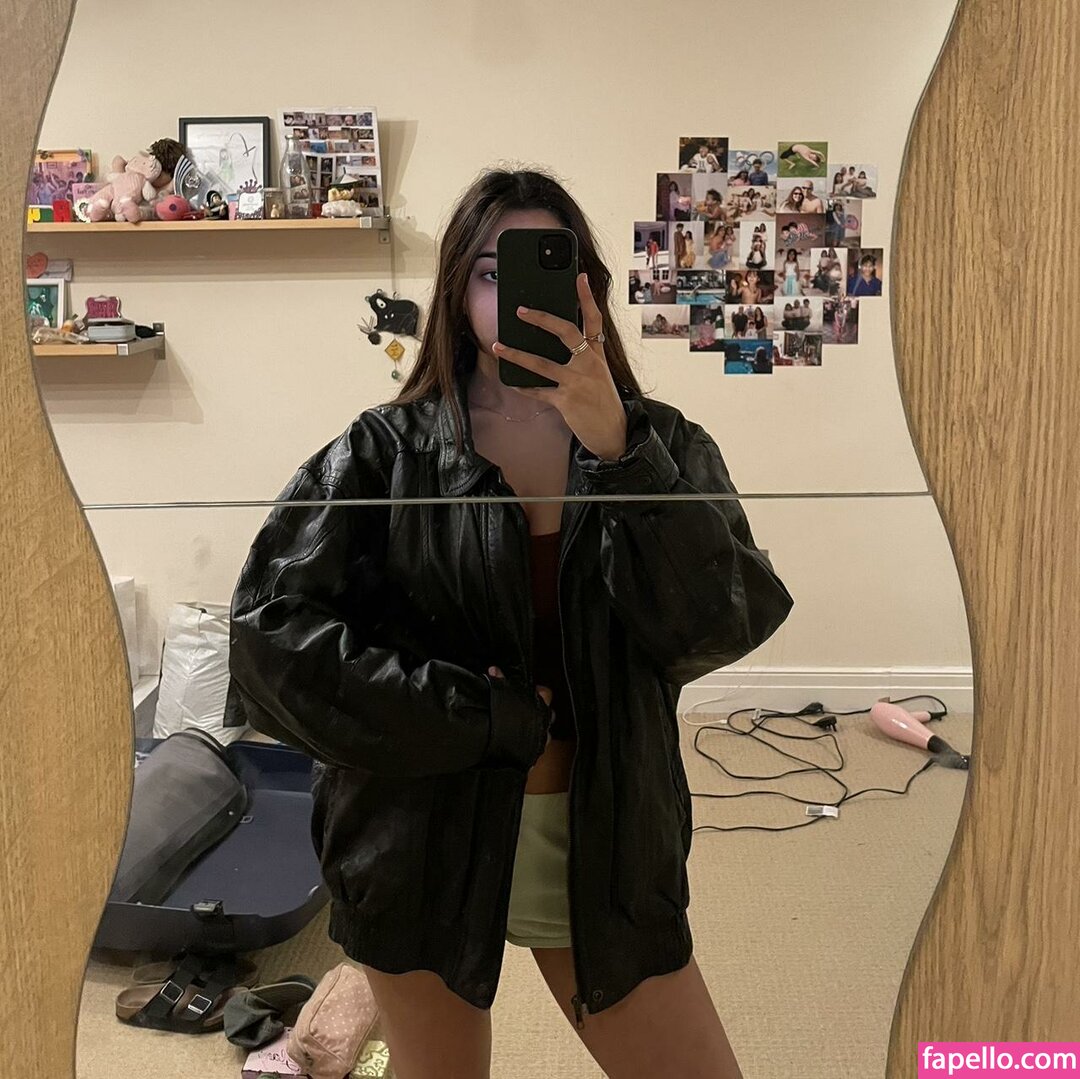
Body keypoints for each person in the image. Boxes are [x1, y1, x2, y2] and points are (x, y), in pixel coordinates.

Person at [229, 168, 792, 1079]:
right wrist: (481, 719)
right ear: (458, 293)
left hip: (604, 838)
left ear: (587, 290)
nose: (514, 296)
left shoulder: (662, 445)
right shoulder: (382, 454)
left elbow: (716, 623)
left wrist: (619, 452)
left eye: (543, 267)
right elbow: (269, 648)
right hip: (418, 841)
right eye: (490, 272)